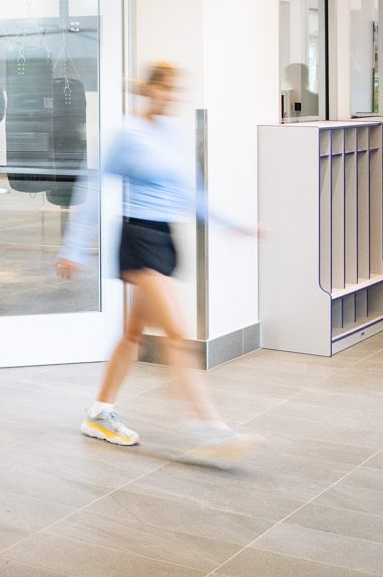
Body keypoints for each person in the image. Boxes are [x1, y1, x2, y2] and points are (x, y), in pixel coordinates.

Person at [60, 62, 261, 462]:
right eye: (166, 89)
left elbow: (194, 193)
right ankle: (212, 430)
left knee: (132, 334)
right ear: (150, 89)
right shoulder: (128, 134)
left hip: (166, 239)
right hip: (139, 240)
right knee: (178, 334)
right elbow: (96, 187)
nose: (172, 97)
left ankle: (99, 411)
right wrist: (75, 248)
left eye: (176, 90)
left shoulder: (173, 133)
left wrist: (233, 225)